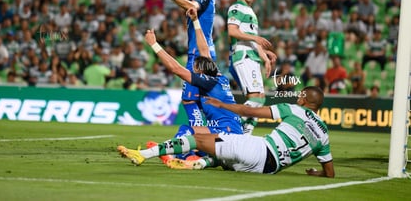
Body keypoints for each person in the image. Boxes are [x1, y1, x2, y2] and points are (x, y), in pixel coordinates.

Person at [117, 86, 335, 178]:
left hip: (261, 150)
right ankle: (197, 164)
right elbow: (330, 173)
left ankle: (143, 155)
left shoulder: (295, 109)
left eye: (300, 96)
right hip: (268, 170)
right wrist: (317, 174)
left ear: (304, 99)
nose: (298, 97)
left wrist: (222, 106)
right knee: (225, 155)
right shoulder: (324, 134)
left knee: (198, 139)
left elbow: (251, 110)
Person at [143, 8, 243, 161]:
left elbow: (176, 69)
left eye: (195, 69)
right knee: (196, 138)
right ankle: (190, 156)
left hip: (226, 133)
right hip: (231, 132)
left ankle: (175, 155)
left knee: (187, 130)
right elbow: (205, 51)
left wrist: (154, 44)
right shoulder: (218, 77)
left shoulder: (206, 82)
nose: (194, 72)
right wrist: (196, 21)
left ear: (200, 71)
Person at [144, 0, 217, 127]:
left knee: (189, 99)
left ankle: (197, 140)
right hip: (202, 53)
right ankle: (205, 140)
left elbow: (192, 6)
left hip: (200, 55)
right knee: (200, 99)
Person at [227, 0, 276, 135]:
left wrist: (265, 57)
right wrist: (255, 38)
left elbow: (252, 40)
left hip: (252, 56)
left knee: (260, 100)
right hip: (243, 56)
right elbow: (232, 31)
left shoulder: (250, 11)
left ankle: (244, 137)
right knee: (256, 98)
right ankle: (228, 128)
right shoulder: (237, 8)